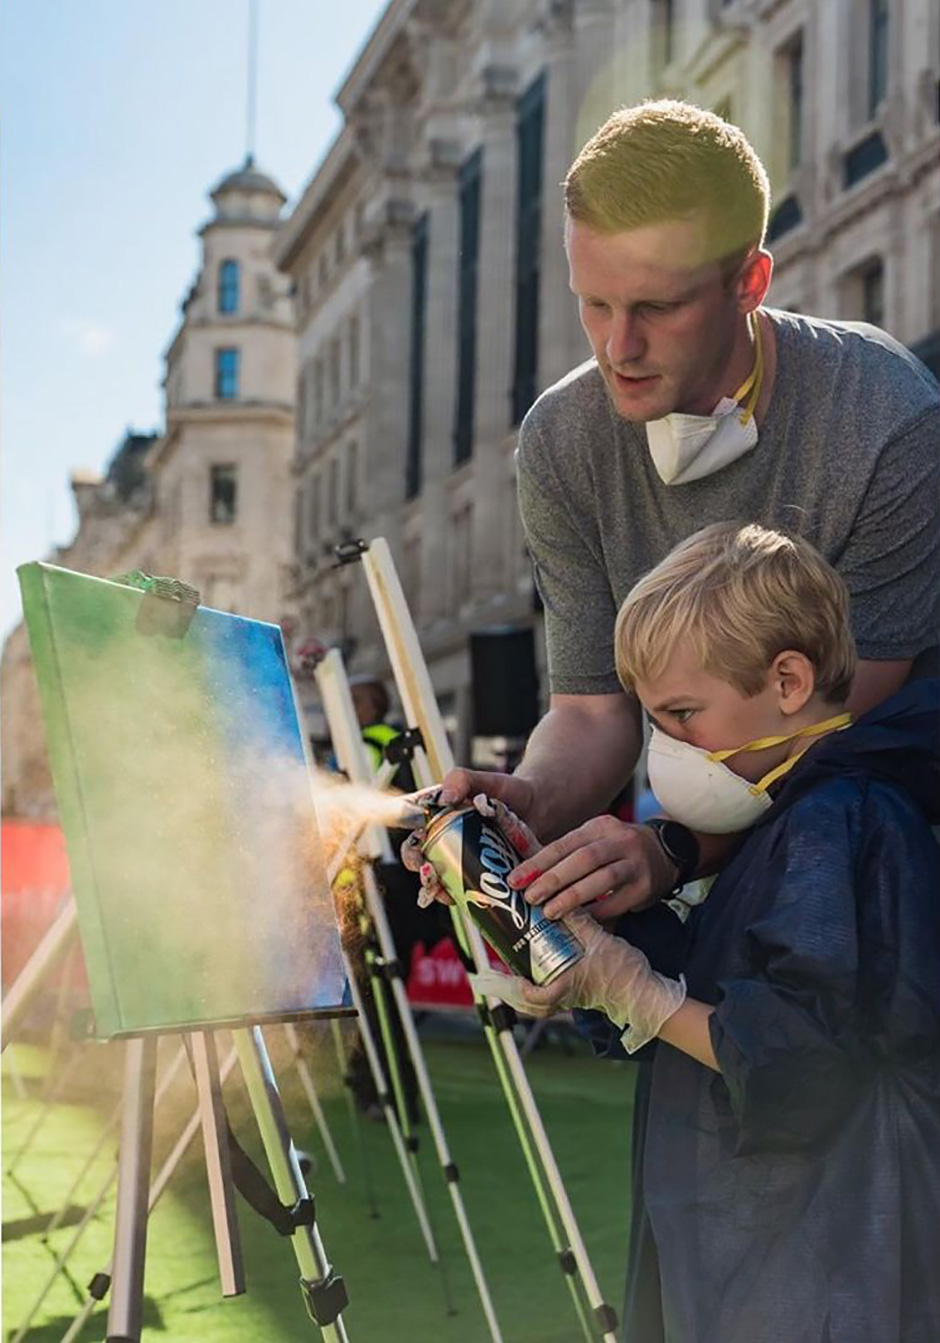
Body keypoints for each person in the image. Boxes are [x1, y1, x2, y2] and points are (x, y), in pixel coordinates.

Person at [432, 98, 938, 917]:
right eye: (593, 302)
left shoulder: (887, 417)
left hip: (878, 875)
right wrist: (528, 802)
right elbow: (593, 710)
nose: (616, 348)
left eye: (656, 308)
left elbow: (833, 732)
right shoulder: (561, 441)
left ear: (750, 280)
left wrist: (672, 849)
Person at [470, 522, 940, 1343]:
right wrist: (583, 941)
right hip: (763, 1253)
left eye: (684, 713)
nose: (669, 748)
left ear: (789, 680)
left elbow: (799, 1055)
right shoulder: (788, 815)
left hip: (823, 1266)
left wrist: (634, 988)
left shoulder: (840, 819)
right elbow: (721, 988)